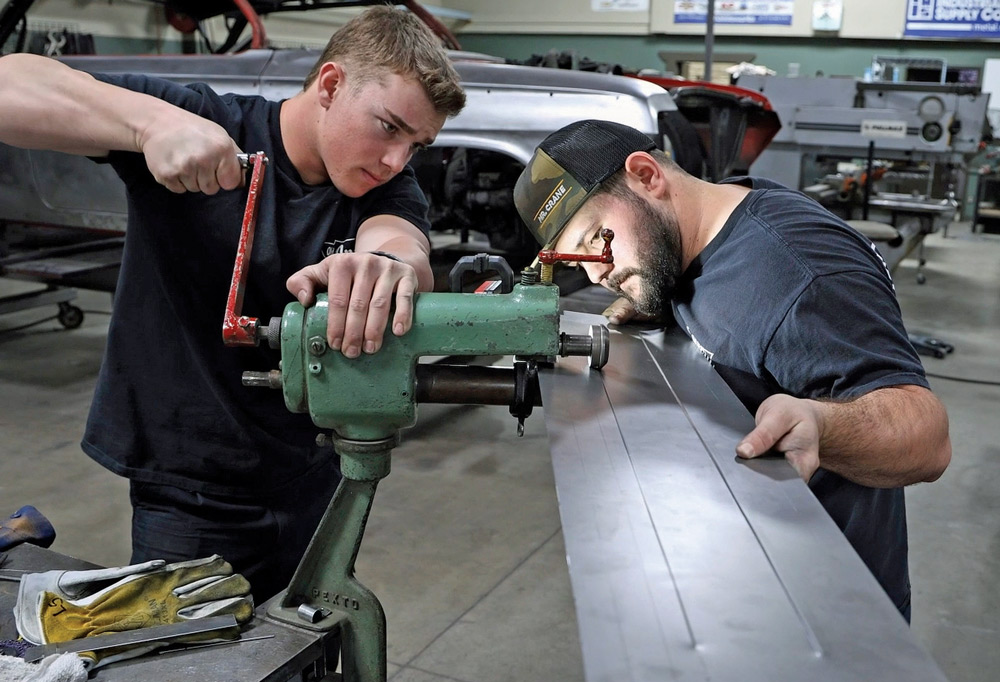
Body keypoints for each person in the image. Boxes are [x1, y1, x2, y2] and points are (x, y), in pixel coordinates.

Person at [0, 6, 465, 603]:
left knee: (301, 644)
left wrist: (386, 264)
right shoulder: (208, 121)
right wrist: (148, 125)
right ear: (330, 85)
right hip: (190, 489)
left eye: (417, 145)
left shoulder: (387, 186)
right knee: (188, 653)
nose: (396, 161)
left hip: (315, 475)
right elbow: (11, 83)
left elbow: (401, 241)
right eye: (389, 128)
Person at [513, 119, 951, 620]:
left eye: (597, 239)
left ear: (647, 175)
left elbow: (928, 439)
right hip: (746, 582)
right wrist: (656, 297)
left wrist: (823, 425)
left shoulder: (799, 273)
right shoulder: (697, 232)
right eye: (579, 261)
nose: (598, 271)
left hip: (829, 607)